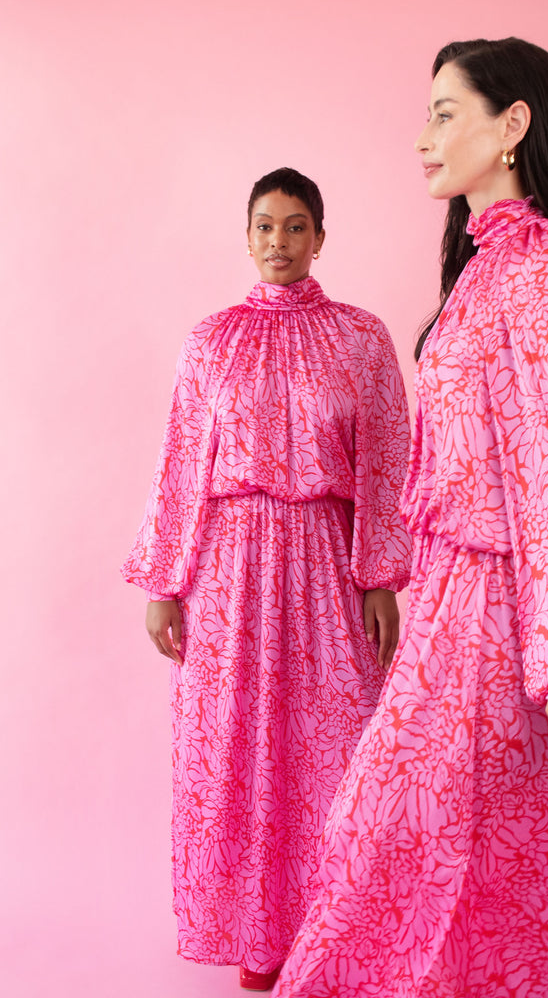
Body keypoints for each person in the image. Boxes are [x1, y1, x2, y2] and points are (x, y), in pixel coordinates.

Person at [272, 40, 548, 997]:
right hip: (458, 608)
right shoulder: (487, 267)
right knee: (485, 847)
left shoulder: (541, 264)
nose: (421, 140)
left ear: (512, 125)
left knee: (465, 842)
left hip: (505, 617)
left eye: (444, 113)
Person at [121, 167, 412, 991]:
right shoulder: (210, 340)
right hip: (228, 569)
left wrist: (381, 577)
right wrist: (164, 582)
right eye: (262, 227)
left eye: (293, 227)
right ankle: (257, 939)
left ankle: (339, 931)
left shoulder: (362, 337)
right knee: (240, 744)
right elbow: (181, 462)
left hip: (325, 555)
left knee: (337, 743)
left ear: (320, 236)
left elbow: (388, 460)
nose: (277, 243)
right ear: (244, 236)